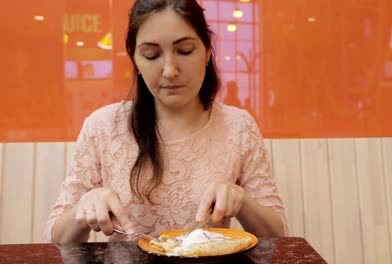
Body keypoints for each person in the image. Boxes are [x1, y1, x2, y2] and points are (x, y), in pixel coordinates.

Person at [45, 0, 287, 243]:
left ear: (206, 51)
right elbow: (56, 237)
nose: (170, 70)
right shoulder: (102, 126)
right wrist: (84, 207)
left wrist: (242, 200)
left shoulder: (239, 127)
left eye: (184, 51)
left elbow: (279, 234)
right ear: (135, 60)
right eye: (152, 55)